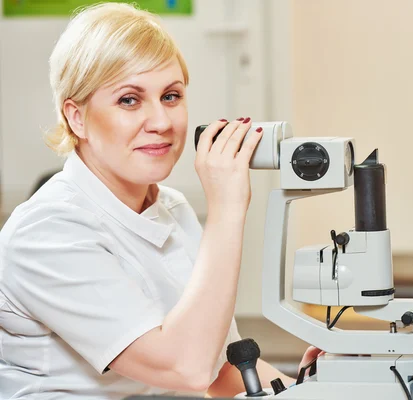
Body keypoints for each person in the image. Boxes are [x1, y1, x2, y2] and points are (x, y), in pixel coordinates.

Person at [0, 3, 318, 399]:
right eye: (129, 100)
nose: (162, 122)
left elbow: (221, 368)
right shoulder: (46, 233)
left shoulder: (172, 207)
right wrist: (228, 208)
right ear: (76, 117)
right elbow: (187, 368)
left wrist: (305, 391)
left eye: (171, 96)